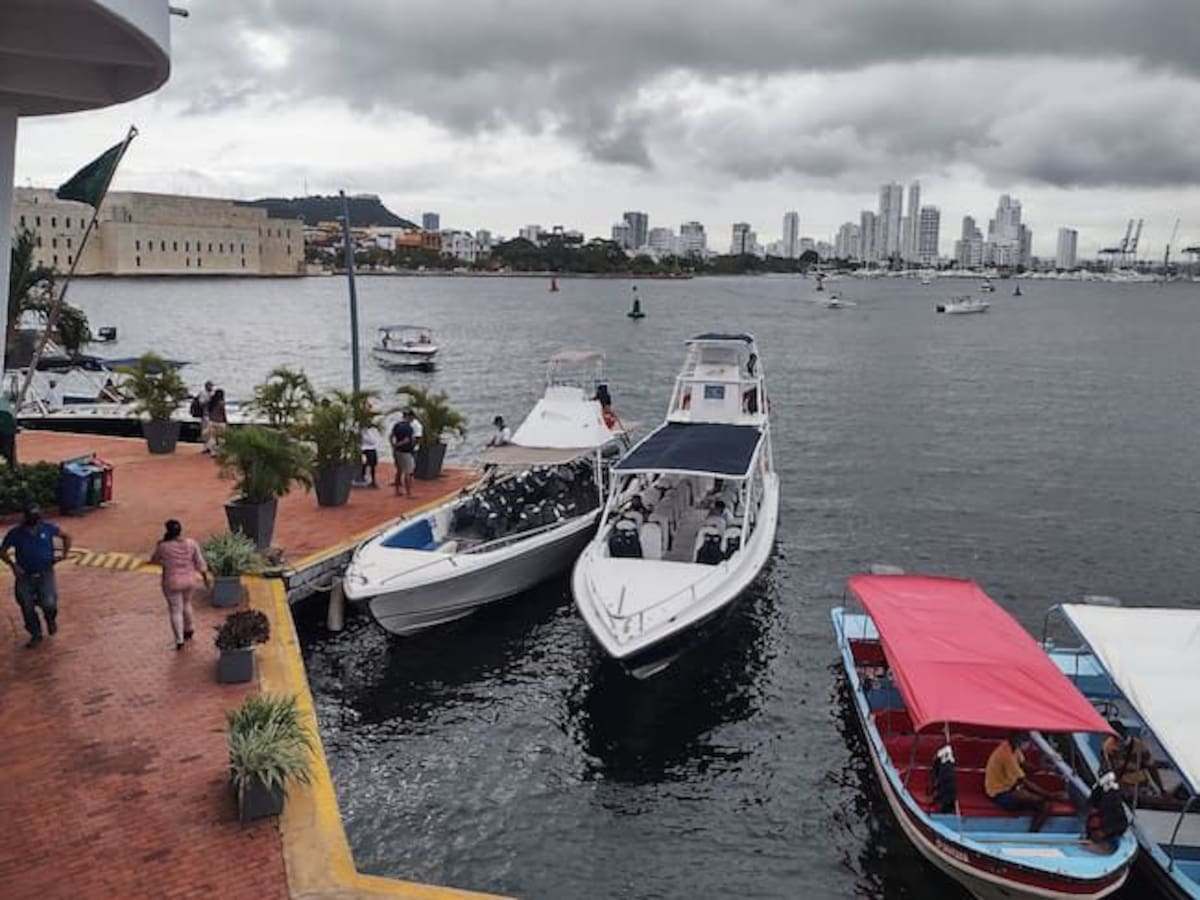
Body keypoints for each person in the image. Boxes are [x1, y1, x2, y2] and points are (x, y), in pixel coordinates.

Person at [1, 506, 72, 648]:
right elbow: (2, 551)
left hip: (45, 572)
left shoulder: (47, 528)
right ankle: (35, 633)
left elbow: (66, 536)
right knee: (26, 605)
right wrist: (13, 565)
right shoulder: (16, 533)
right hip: (25, 575)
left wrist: (64, 554)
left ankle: (50, 619)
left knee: (49, 603)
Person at [985, 731, 1066, 832]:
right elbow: (1024, 781)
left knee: (1045, 805)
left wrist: (1043, 767)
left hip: (1012, 787)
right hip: (999, 794)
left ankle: (1033, 832)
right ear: (1014, 737)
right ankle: (1032, 833)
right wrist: (1051, 795)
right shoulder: (1005, 754)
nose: (1026, 741)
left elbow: (1024, 765)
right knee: (1039, 800)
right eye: (1024, 738)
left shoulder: (1014, 748)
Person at [149, 519, 209, 650]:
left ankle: (179, 639)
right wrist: (205, 579)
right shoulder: (191, 543)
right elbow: (200, 562)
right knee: (187, 604)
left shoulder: (163, 547)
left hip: (172, 582)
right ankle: (189, 628)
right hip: (190, 580)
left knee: (175, 610)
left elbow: (154, 560)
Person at [1102, 723, 1165, 802]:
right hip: (1123, 786)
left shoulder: (1139, 746)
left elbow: (1151, 767)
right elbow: (1109, 768)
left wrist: (1161, 788)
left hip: (1140, 784)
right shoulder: (1108, 746)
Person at [390, 411, 417, 497]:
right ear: (410, 417)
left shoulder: (397, 425)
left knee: (399, 471)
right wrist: (399, 444)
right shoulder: (409, 428)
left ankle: (397, 490)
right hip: (406, 452)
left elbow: (391, 436)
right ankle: (409, 493)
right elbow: (407, 440)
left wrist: (393, 445)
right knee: (408, 472)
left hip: (397, 451)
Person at [359, 419, 382, 488]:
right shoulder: (363, 430)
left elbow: (377, 439)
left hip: (373, 448)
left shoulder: (373, 430)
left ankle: (373, 480)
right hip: (366, 448)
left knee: (373, 465)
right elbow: (369, 440)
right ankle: (363, 477)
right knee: (367, 463)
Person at [204, 388, 228, 453]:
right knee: (221, 438)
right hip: (220, 422)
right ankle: (220, 451)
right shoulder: (221, 403)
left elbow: (207, 412)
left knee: (212, 437)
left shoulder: (211, 403)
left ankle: (213, 451)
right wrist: (226, 421)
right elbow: (223, 413)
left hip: (212, 421)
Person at [195, 381, 215, 453]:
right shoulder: (203, 393)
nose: (211, 387)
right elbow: (201, 403)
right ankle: (205, 447)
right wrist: (209, 401)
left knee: (211, 432)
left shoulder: (213, 393)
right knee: (205, 431)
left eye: (212, 386)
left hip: (212, 415)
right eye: (210, 386)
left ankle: (210, 447)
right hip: (205, 415)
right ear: (206, 386)